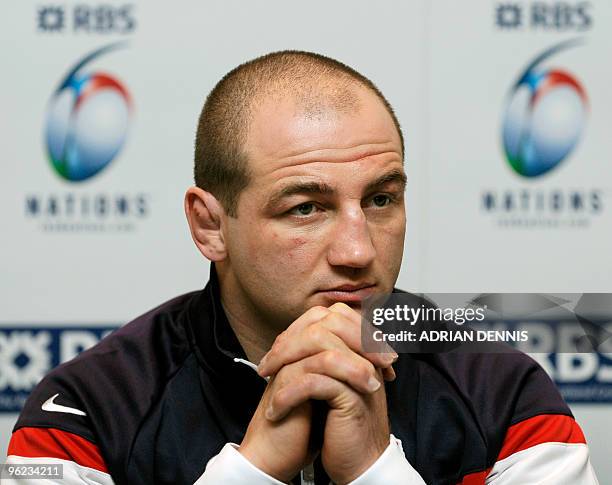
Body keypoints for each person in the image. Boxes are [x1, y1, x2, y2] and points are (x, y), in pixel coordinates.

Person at [6, 51, 598, 485]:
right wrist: (253, 468)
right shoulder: (89, 410)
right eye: (307, 208)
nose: (359, 250)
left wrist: (374, 470)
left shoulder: (505, 393)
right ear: (210, 225)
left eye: (380, 199)